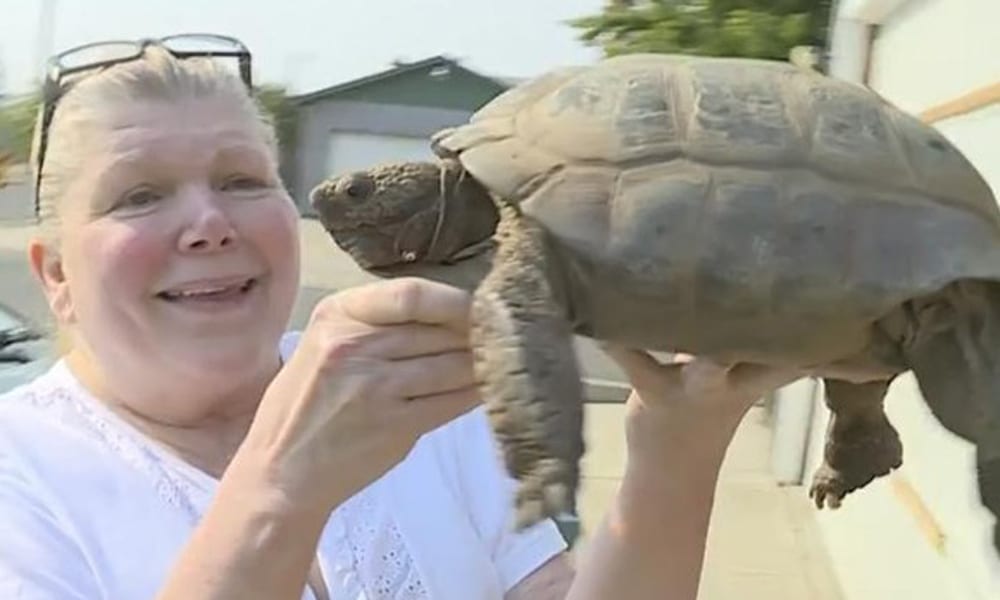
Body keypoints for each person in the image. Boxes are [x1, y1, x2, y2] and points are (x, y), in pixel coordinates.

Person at [0, 35, 802, 600]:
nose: (210, 222)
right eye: (140, 195)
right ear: (58, 275)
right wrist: (280, 491)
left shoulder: (407, 392)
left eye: (243, 179)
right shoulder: (21, 476)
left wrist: (675, 450)